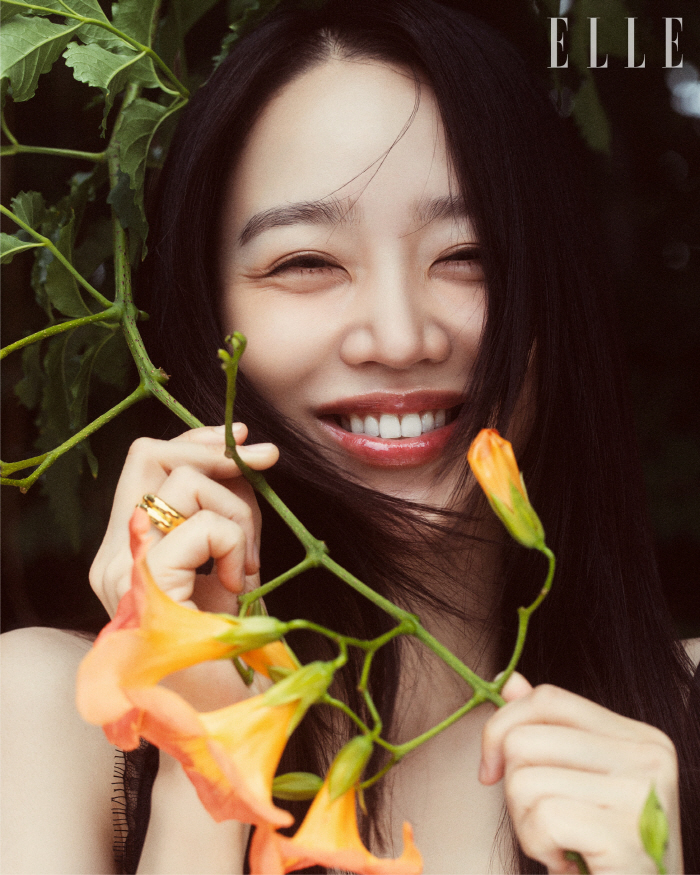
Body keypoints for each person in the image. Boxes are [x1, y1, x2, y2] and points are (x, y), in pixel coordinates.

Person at [2, 1, 699, 873]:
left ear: (551, 300)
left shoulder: (681, 730)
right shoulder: (41, 717)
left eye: (470, 254)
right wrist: (208, 757)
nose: (402, 337)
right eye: (306, 263)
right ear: (204, 319)